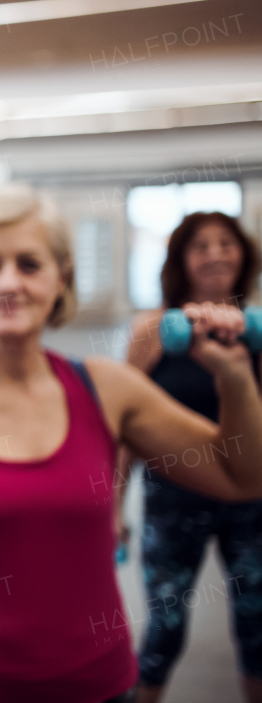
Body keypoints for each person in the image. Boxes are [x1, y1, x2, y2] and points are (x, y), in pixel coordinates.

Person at [0, 184, 262, 703]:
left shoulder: (108, 390)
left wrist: (234, 377)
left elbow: (242, 476)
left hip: (99, 687)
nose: (8, 282)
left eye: (29, 264)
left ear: (62, 277)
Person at [120, 211, 262, 703]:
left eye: (226, 242)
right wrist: (112, 509)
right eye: (201, 246)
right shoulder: (154, 331)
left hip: (253, 506)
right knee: (164, 627)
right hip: (172, 500)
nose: (216, 253)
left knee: (258, 629)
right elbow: (123, 429)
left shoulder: (257, 330)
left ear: (243, 255)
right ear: (182, 260)